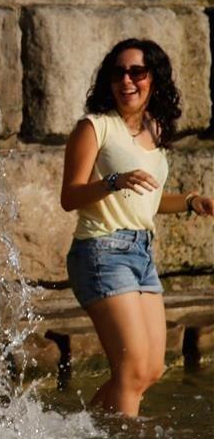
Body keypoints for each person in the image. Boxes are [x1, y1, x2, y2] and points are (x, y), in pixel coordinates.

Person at [60, 38, 213, 418]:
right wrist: (113, 181)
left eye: (137, 72)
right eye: (118, 73)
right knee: (129, 371)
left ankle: (82, 437)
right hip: (101, 251)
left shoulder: (155, 131)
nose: (126, 80)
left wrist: (192, 202)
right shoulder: (95, 127)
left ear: (154, 80)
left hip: (141, 253)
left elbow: (149, 200)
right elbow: (70, 196)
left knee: (150, 371)